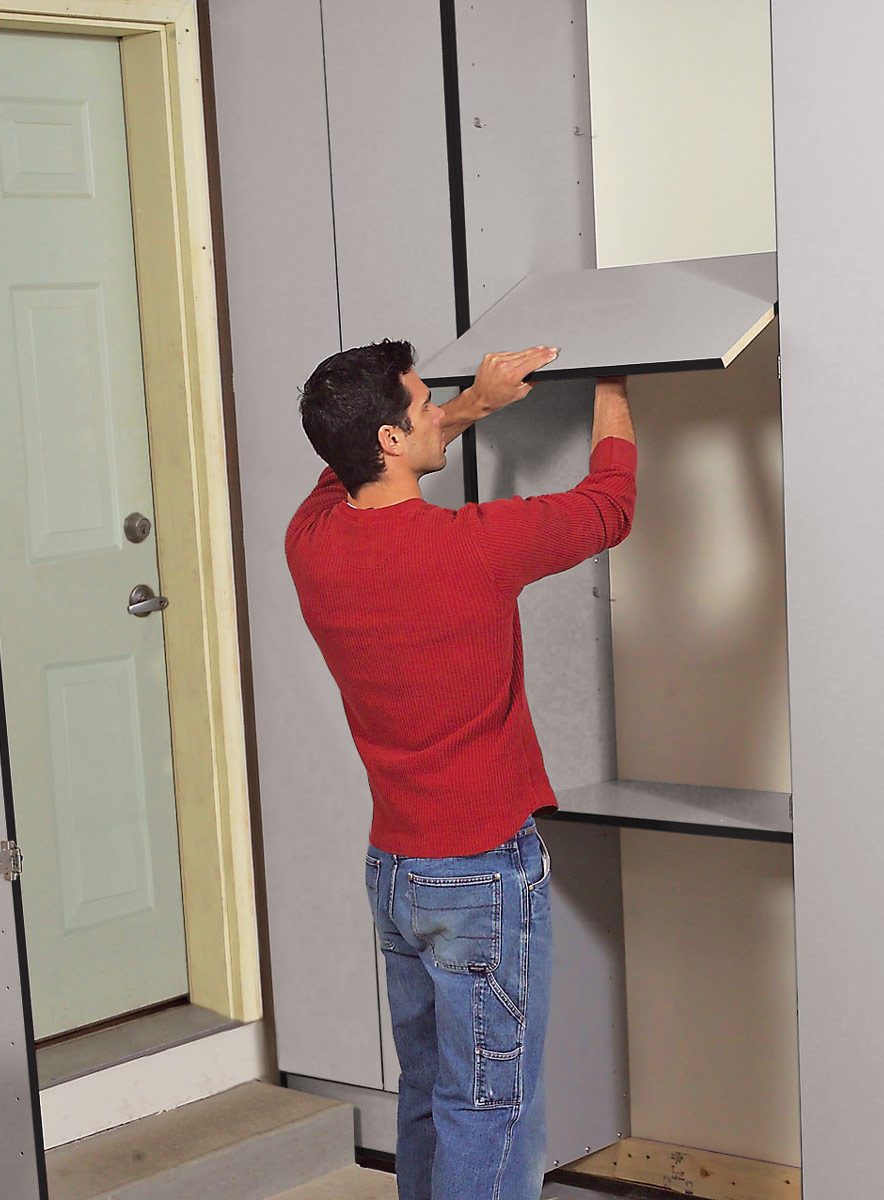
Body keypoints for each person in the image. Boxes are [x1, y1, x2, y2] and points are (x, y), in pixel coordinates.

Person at [285, 338, 637, 1200]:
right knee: (491, 1108)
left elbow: (352, 474)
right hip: (480, 873)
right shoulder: (474, 547)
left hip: (397, 873)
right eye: (423, 402)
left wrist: (476, 403)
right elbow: (610, 504)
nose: (438, 406)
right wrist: (616, 377)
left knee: (431, 1095)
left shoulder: (312, 541)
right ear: (392, 440)